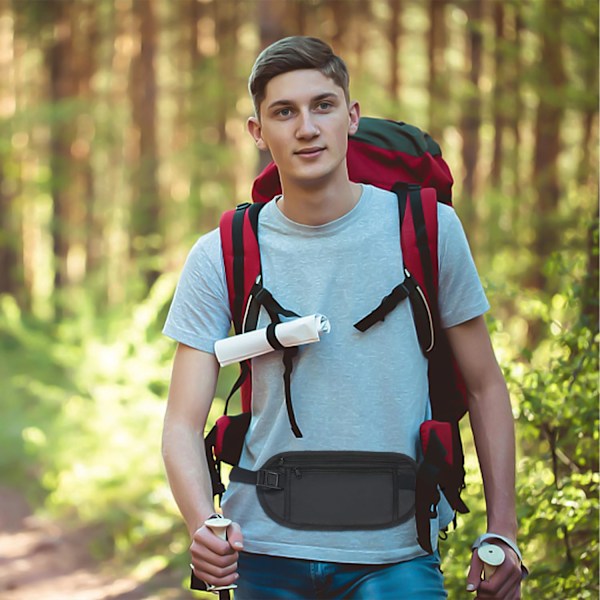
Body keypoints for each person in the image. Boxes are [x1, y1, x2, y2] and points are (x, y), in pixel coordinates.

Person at [161, 36, 523, 599]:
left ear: (351, 117)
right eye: (285, 112)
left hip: (395, 556)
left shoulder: (428, 229)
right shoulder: (223, 252)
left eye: (322, 105)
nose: (306, 127)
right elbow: (182, 422)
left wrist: (503, 529)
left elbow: (484, 386)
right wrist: (200, 524)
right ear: (258, 132)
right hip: (262, 552)